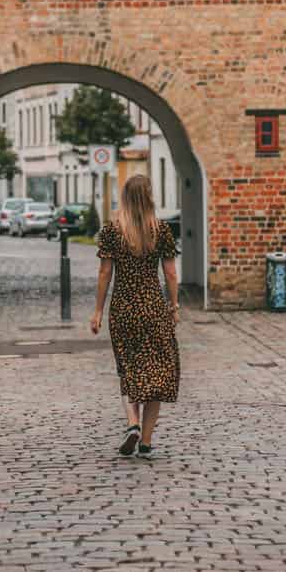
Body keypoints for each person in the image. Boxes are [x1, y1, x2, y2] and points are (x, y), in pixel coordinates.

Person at [87, 173, 179, 460]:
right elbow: (171, 273)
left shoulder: (113, 232)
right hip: (152, 308)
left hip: (124, 309)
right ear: (150, 197)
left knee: (128, 369)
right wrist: (174, 305)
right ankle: (147, 441)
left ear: (124, 198)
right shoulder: (161, 230)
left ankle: (132, 424)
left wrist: (98, 310)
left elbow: (105, 273)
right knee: (158, 373)